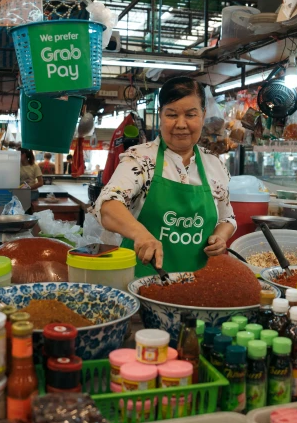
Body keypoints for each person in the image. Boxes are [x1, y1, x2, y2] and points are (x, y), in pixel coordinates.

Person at [95, 77, 236, 277]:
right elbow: (108, 205)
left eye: (190, 115)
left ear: (203, 116)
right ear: (160, 116)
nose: (181, 124)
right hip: (141, 282)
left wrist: (220, 237)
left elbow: (227, 217)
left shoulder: (215, 165)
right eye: (171, 114)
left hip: (199, 285)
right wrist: (140, 234)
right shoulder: (140, 160)